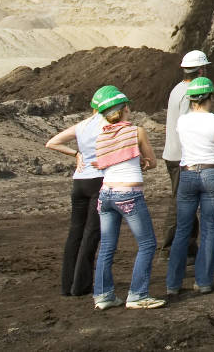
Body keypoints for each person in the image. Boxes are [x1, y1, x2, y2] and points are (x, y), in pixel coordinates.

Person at [90, 88, 164, 309]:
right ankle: (138, 295)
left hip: (106, 194)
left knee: (107, 247)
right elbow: (152, 162)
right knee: (147, 244)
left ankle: (103, 296)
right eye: (127, 106)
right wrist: (143, 163)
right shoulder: (137, 131)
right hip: (129, 194)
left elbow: (108, 162)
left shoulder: (101, 135)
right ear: (123, 110)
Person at [44, 85, 115, 297]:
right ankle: (81, 286)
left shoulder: (82, 125)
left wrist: (76, 153)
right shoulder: (109, 126)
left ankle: (67, 285)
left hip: (79, 183)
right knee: (91, 233)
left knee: (75, 232)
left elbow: (52, 143)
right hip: (98, 181)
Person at [165, 76, 214, 295]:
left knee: (183, 229)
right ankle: (203, 281)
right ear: (210, 96)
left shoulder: (182, 121)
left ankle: (173, 284)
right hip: (212, 172)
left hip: (187, 174)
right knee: (209, 227)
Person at [161, 49, 210, 261]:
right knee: (180, 202)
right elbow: (186, 125)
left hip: (174, 153)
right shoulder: (190, 92)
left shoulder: (177, 88)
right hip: (182, 155)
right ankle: (168, 248)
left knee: (185, 200)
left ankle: (189, 247)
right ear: (200, 70)